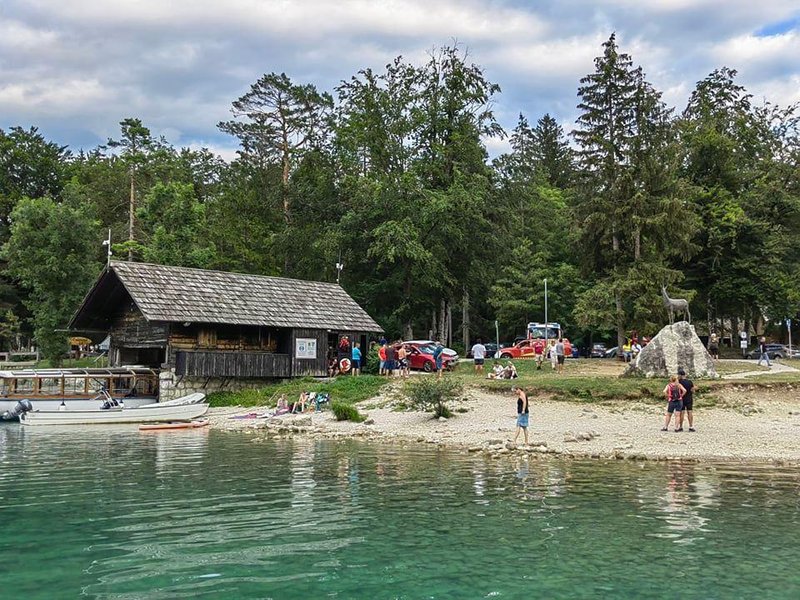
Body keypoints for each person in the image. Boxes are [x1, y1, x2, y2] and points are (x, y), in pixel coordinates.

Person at [677, 368, 695, 432]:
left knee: (682, 412)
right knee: (689, 412)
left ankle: (681, 426)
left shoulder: (679, 382)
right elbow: (693, 390)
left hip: (681, 399)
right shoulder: (690, 382)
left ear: (680, 375)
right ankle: (691, 426)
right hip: (689, 398)